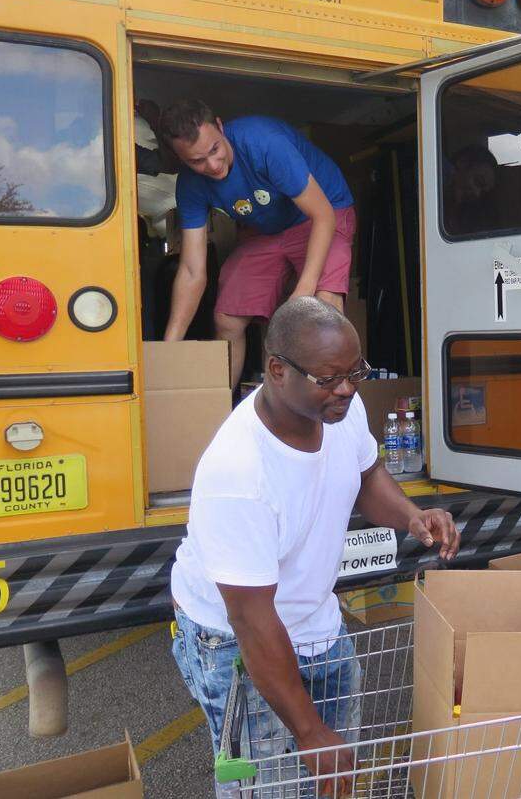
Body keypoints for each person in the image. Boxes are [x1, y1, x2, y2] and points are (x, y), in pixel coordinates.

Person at [170, 297, 459, 798]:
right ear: (277, 370)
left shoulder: (340, 408)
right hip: (237, 641)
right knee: (271, 787)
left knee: (335, 771)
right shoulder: (238, 472)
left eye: (356, 372)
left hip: (315, 620)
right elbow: (252, 621)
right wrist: (308, 732)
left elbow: (366, 474)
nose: (346, 388)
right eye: (329, 379)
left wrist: (412, 516)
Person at [159, 99, 357, 387]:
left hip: (323, 211)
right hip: (268, 230)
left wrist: (301, 294)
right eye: (196, 161)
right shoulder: (190, 185)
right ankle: (218, 410)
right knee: (227, 318)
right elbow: (191, 270)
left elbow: (323, 215)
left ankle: (333, 404)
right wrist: (169, 347)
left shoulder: (264, 143)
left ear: (219, 126)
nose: (212, 165)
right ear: (181, 159)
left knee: (322, 305)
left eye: (215, 149)